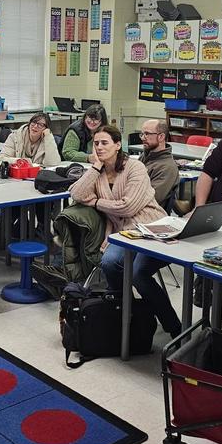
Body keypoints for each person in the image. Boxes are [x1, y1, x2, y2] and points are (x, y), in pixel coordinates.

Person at [70, 125, 182, 338]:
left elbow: (128, 207)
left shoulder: (135, 167)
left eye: (105, 143)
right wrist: (96, 167)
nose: (99, 147)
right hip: (124, 233)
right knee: (109, 262)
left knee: (139, 273)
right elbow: (76, 193)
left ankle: (173, 326)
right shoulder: (98, 172)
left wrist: (96, 203)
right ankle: (125, 315)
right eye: (96, 143)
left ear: (117, 145)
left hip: (152, 227)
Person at [138, 119, 179, 207]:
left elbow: (150, 199)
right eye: (142, 134)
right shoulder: (144, 156)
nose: (142, 138)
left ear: (161, 137)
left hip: (147, 211)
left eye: (147, 134)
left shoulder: (167, 168)